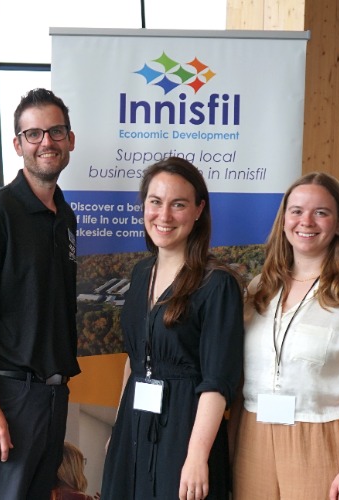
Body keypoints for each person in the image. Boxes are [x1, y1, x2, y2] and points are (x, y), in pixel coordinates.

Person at [231, 172, 339, 500]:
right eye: (297, 210)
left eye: (321, 212)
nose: (307, 221)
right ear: (284, 219)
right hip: (254, 436)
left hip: (324, 438)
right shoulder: (259, 287)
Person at [0, 88, 80, 499]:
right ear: (18, 144)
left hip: (50, 396)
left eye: (56, 131)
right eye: (34, 134)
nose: (47, 142)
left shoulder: (64, 216)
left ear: (70, 139)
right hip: (6, 395)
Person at [101, 157, 244, 500]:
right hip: (134, 423)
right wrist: (119, 428)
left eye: (178, 204)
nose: (163, 216)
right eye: (155, 202)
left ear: (198, 210)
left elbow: (217, 384)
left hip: (186, 429)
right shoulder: (139, 275)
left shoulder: (218, 284)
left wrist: (197, 456)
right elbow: (134, 361)